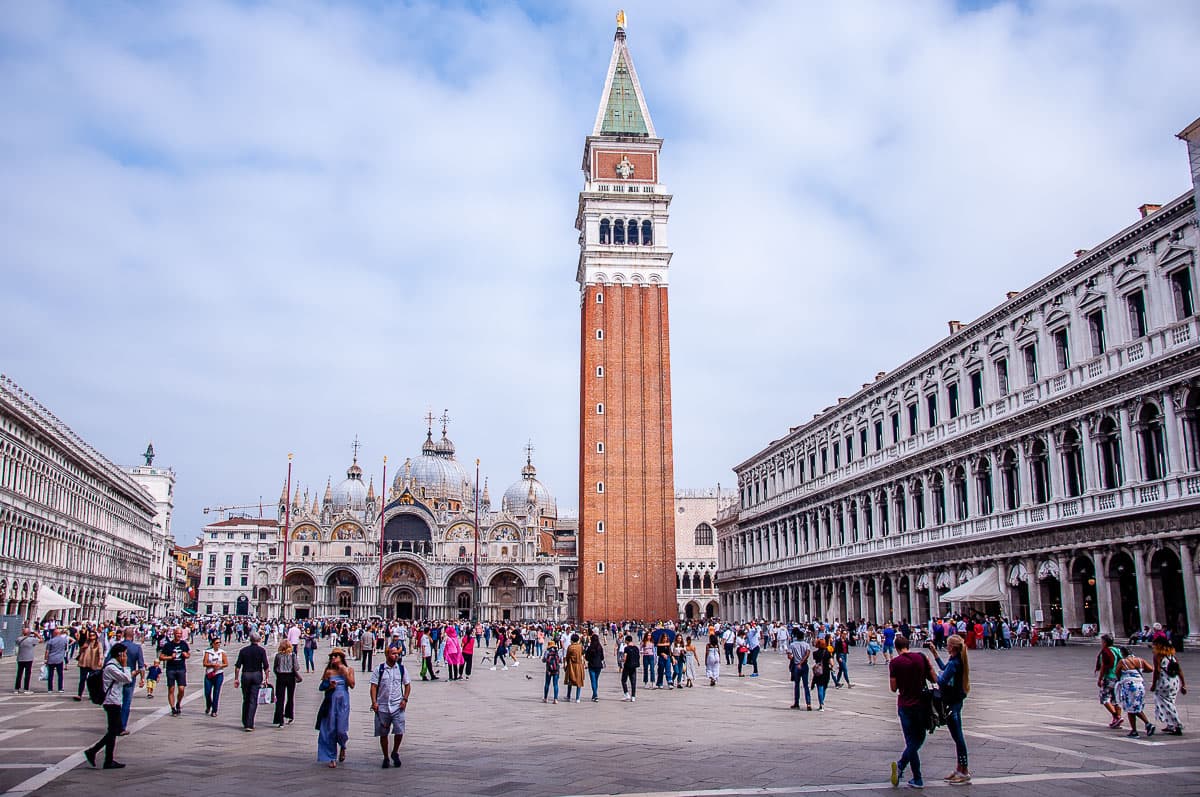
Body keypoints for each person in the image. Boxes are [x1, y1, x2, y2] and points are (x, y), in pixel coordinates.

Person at [889, 635, 936, 790]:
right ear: (908, 645)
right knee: (919, 738)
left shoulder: (895, 663)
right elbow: (934, 678)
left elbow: (893, 688)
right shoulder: (921, 657)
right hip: (922, 705)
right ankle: (908, 771)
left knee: (911, 741)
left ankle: (913, 774)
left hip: (905, 705)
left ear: (896, 648)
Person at [929, 635, 971, 784]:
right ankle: (960, 769)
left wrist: (930, 672)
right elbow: (944, 668)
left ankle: (964, 771)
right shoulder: (956, 660)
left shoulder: (955, 663)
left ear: (952, 647)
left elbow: (941, 680)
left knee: (958, 737)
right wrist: (934, 654)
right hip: (955, 700)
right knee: (957, 737)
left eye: (947, 645)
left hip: (952, 702)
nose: (946, 646)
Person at [83, 642, 132, 770]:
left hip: (115, 701)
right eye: (125, 654)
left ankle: (106, 759)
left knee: (113, 731)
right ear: (120, 654)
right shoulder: (111, 667)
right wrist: (125, 666)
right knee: (113, 731)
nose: (126, 656)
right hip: (111, 702)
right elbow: (127, 679)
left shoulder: (114, 666)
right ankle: (94, 752)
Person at [369, 645, 410, 769]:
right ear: (387, 655)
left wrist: (405, 699)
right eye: (393, 653)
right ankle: (386, 757)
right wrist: (374, 702)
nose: (396, 656)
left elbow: (407, 685)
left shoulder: (401, 669)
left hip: (398, 705)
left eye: (397, 653)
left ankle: (395, 752)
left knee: (399, 731)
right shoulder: (379, 669)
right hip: (382, 706)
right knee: (383, 733)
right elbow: (373, 686)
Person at [316, 649, 355, 767]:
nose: (333, 658)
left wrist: (345, 673)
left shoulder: (349, 669)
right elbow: (321, 687)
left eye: (336, 656)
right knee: (330, 729)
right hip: (331, 702)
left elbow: (352, 685)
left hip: (343, 702)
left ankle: (343, 745)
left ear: (341, 658)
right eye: (332, 656)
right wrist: (330, 686)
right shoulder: (329, 671)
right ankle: (331, 757)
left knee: (341, 730)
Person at [233, 632, 270, 732]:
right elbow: (266, 666)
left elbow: (237, 666)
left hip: (246, 675)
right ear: (259, 640)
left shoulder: (243, 650)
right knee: (253, 699)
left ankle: (245, 721)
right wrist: (267, 678)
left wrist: (236, 678)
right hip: (257, 675)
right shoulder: (261, 650)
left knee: (246, 699)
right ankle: (249, 723)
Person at [1115, 649, 1156, 737]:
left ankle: (1136, 730)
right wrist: (1139, 671)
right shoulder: (1140, 660)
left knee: (1130, 708)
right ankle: (1147, 725)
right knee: (1136, 706)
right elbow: (1151, 669)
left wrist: (1121, 678)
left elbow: (1117, 672)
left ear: (1123, 654)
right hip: (1140, 685)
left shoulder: (1123, 661)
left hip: (1130, 686)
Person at [1150, 640, 1186, 735]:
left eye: (1154, 645)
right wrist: (1183, 684)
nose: (1153, 647)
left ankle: (1177, 725)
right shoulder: (1172, 656)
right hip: (1174, 682)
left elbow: (1157, 671)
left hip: (1164, 682)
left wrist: (1154, 684)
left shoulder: (1158, 656)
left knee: (1165, 703)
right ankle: (1170, 724)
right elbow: (1179, 670)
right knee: (1170, 703)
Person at [117, 627, 145, 734]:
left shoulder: (117, 646)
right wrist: (142, 679)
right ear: (133, 635)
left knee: (116, 701)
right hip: (130, 677)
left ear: (123, 635)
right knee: (126, 702)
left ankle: (115, 724)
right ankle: (122, 727)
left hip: (117, 676)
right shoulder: (136, 648)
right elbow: (141, 666)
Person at [158, 627, 190, 716]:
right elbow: (161, 657)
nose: (179, 635)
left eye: (180, 634)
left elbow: (188, 654)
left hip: (181, 668)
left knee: (181, 689)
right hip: (171, 669)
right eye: (177, 633)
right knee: (171, 689)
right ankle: (173, 708)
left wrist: (186, 655)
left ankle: (178, 703)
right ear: (174, 634)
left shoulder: (184, 644)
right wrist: (170, 657)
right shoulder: (168, 645)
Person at [1095, 634, 1124, 729]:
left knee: (1104, 698)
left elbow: (1104, 666)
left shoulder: (1105, 652)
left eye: (1102, 641)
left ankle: (1116, 716)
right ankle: (1116, 719)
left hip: (1109, 677)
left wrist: (1100, 678)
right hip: (1118, 677)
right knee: (1116, 699)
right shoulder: (1117, 650)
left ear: (1105, 642)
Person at [272, 639, 301, 727]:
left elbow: (275, 667)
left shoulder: (278, 656)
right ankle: (289, 715)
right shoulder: (293, 655)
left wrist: (278, 673)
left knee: (280, 698)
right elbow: (297, 667)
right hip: (290, 676)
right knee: (290, 697)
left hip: (281, 677)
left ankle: (280, 719)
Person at [74, 629, 103, 702]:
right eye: (90, 635)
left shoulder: (98, 644)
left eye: (93, 635)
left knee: (92, 680)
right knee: (82, 679)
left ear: (96, 636)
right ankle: (79, 695)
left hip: (93, 663)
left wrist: (100, 660)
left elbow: (100, 653)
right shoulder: (86, 642)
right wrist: (83, 648)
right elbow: (80, 651)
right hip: (84, 663)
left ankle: (92, 694)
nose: (91, 637)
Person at [202, 636, 228, 718]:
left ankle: (214, 710)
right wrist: (212, 665)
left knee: (216, 692)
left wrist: (220, 665)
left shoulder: (222, 652)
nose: (218, 644)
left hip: (219, 674)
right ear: (212, 644)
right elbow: (204, 663)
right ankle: (208, 705)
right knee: (207, 692)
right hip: (209, 674)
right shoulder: (208, 652)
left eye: (219, 643)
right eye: (216, 643)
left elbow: (226, 663)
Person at [787, 627, 811, 710]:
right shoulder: (806, 645)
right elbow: (807, 654)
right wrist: (802, 662)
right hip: (804, 665)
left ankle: (796, 703)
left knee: (797, 685)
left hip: (796, 665)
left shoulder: (792, 644)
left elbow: (789, 655)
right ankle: (808, 704)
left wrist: (795, 660)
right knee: (806, 685)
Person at [13, 627, 39, 694]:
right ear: (29, 633)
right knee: (27, 674)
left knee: (19, 674)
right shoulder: (31, 639)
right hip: (28, 658)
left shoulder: (18, 639)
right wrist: (36, 634)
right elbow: (41, 640)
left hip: (20, 658)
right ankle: (26, 689)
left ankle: (17, 688)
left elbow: (17, 643)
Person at [810, 636, 832, 711]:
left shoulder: (815, 653)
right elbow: (831, 663)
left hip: (819, 671)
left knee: (820, 687)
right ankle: (822, 702)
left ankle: (821, 704)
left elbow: (816, 661)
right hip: (826, 671)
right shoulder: (828, 653)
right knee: (824, 687)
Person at [44, 627, 68, 693]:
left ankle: (50, 689)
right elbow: (65, 648)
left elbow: (47, 651)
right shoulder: (64, 640)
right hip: (59, 659)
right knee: (60, 674)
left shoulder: (50, 641)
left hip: (51, 659)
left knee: (50, 675)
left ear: (54, 633)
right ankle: (60, 688)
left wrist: (45, 659)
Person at [564, 634, 585, 703]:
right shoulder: (580, 646)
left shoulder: (570, 647)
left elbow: (567, 657)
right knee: (579, 681)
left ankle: (568, 696)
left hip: (571, 665)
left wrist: (566, 664)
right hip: (579, 665)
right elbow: (582, 654)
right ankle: (577, 698)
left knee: (570, 680)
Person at [585, 632, 605, 702]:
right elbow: (602, 657)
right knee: (596, 680)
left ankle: (595, 695)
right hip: (598, 665)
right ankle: (594, 695)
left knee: (593, 681)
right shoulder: (600, 647)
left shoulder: (590, 648)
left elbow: (586, 657)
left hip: (592, 665)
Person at [619, 634, 639, 702]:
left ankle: (626, 694)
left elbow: (625, 658)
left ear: (627, 641)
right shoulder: (636, 648)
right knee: (633, 682)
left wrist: (621, 660)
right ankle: (633, 696)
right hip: (634, 666)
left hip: (627, 666)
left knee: (623, 680)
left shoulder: (626, 648)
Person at [543, 637, 562, 703]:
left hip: (548, 670)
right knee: (555, 684)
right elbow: (560, 661)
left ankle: (545, 698)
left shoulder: (547, 652)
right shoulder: (557, 652)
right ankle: (555, 699)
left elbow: (544, 660)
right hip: (556, 670)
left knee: (547, 684)